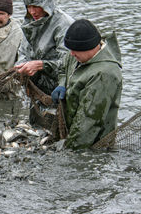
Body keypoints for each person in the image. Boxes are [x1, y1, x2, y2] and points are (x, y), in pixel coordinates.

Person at [51, 19, 122, 149]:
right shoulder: (77, 51)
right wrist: (62, 83)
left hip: (94, 144)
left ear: (92, 47)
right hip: (72, 130)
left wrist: (68, 150)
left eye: (75, 51)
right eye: (70, 49)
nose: (71, 53)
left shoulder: (104, 74)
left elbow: (88, 121)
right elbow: (63, 67)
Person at [15, 0, 74, 95]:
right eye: (28, 6)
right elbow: (23, 51)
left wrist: (41, 65)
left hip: (61, 88)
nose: (32, 12)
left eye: (36, 6)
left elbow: (70, 63)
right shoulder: (29, 23)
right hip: (37, 89)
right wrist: (21, 66)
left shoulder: (63, 24)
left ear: (46, 3)